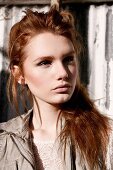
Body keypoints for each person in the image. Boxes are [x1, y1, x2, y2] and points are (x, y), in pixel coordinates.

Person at [0, 5, 113, 170]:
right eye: (45, 62)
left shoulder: (105, 138)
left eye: (68, 59)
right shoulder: (4, 142)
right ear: (19, 74)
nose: (62, 73)